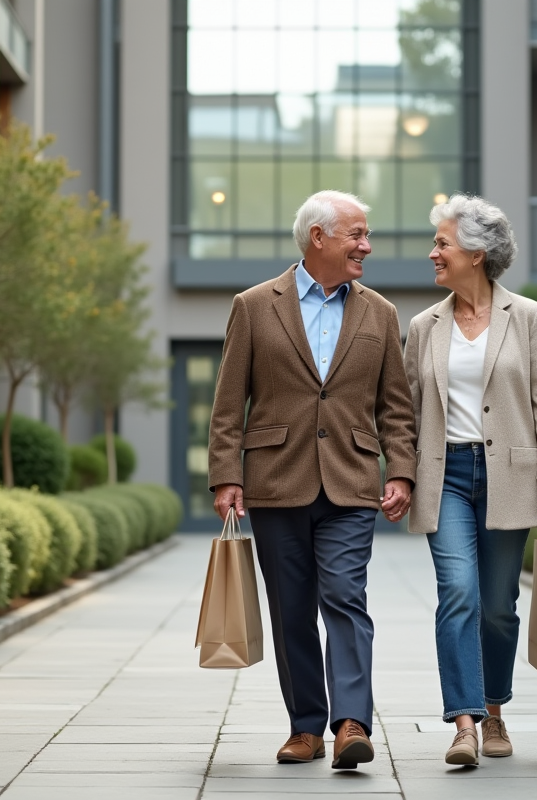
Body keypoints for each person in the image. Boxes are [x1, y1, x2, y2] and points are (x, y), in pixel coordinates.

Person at [207, 190, 417, 770]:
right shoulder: (253, 305)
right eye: (356, 234)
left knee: (346, 598)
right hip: (275, 482)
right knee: (290, 609)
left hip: (351, 482)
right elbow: (229, 404)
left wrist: (400, 470)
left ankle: (351, 721)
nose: (366, 246)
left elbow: (395, 407)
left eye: (366, 235)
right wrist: (227, 475)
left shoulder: (380, 313)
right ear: (318, 237)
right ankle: (305, 727)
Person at [402, 194, 537, 766]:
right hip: (443, 475)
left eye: (442, 244)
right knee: (459, 594)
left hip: (511, 478)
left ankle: (495, 709)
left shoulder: (527, 317)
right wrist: (400, 475)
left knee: (498, 606)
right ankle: (465, 726)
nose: (434, 254)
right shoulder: (424, 327)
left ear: (476, 253)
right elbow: (405, 411)